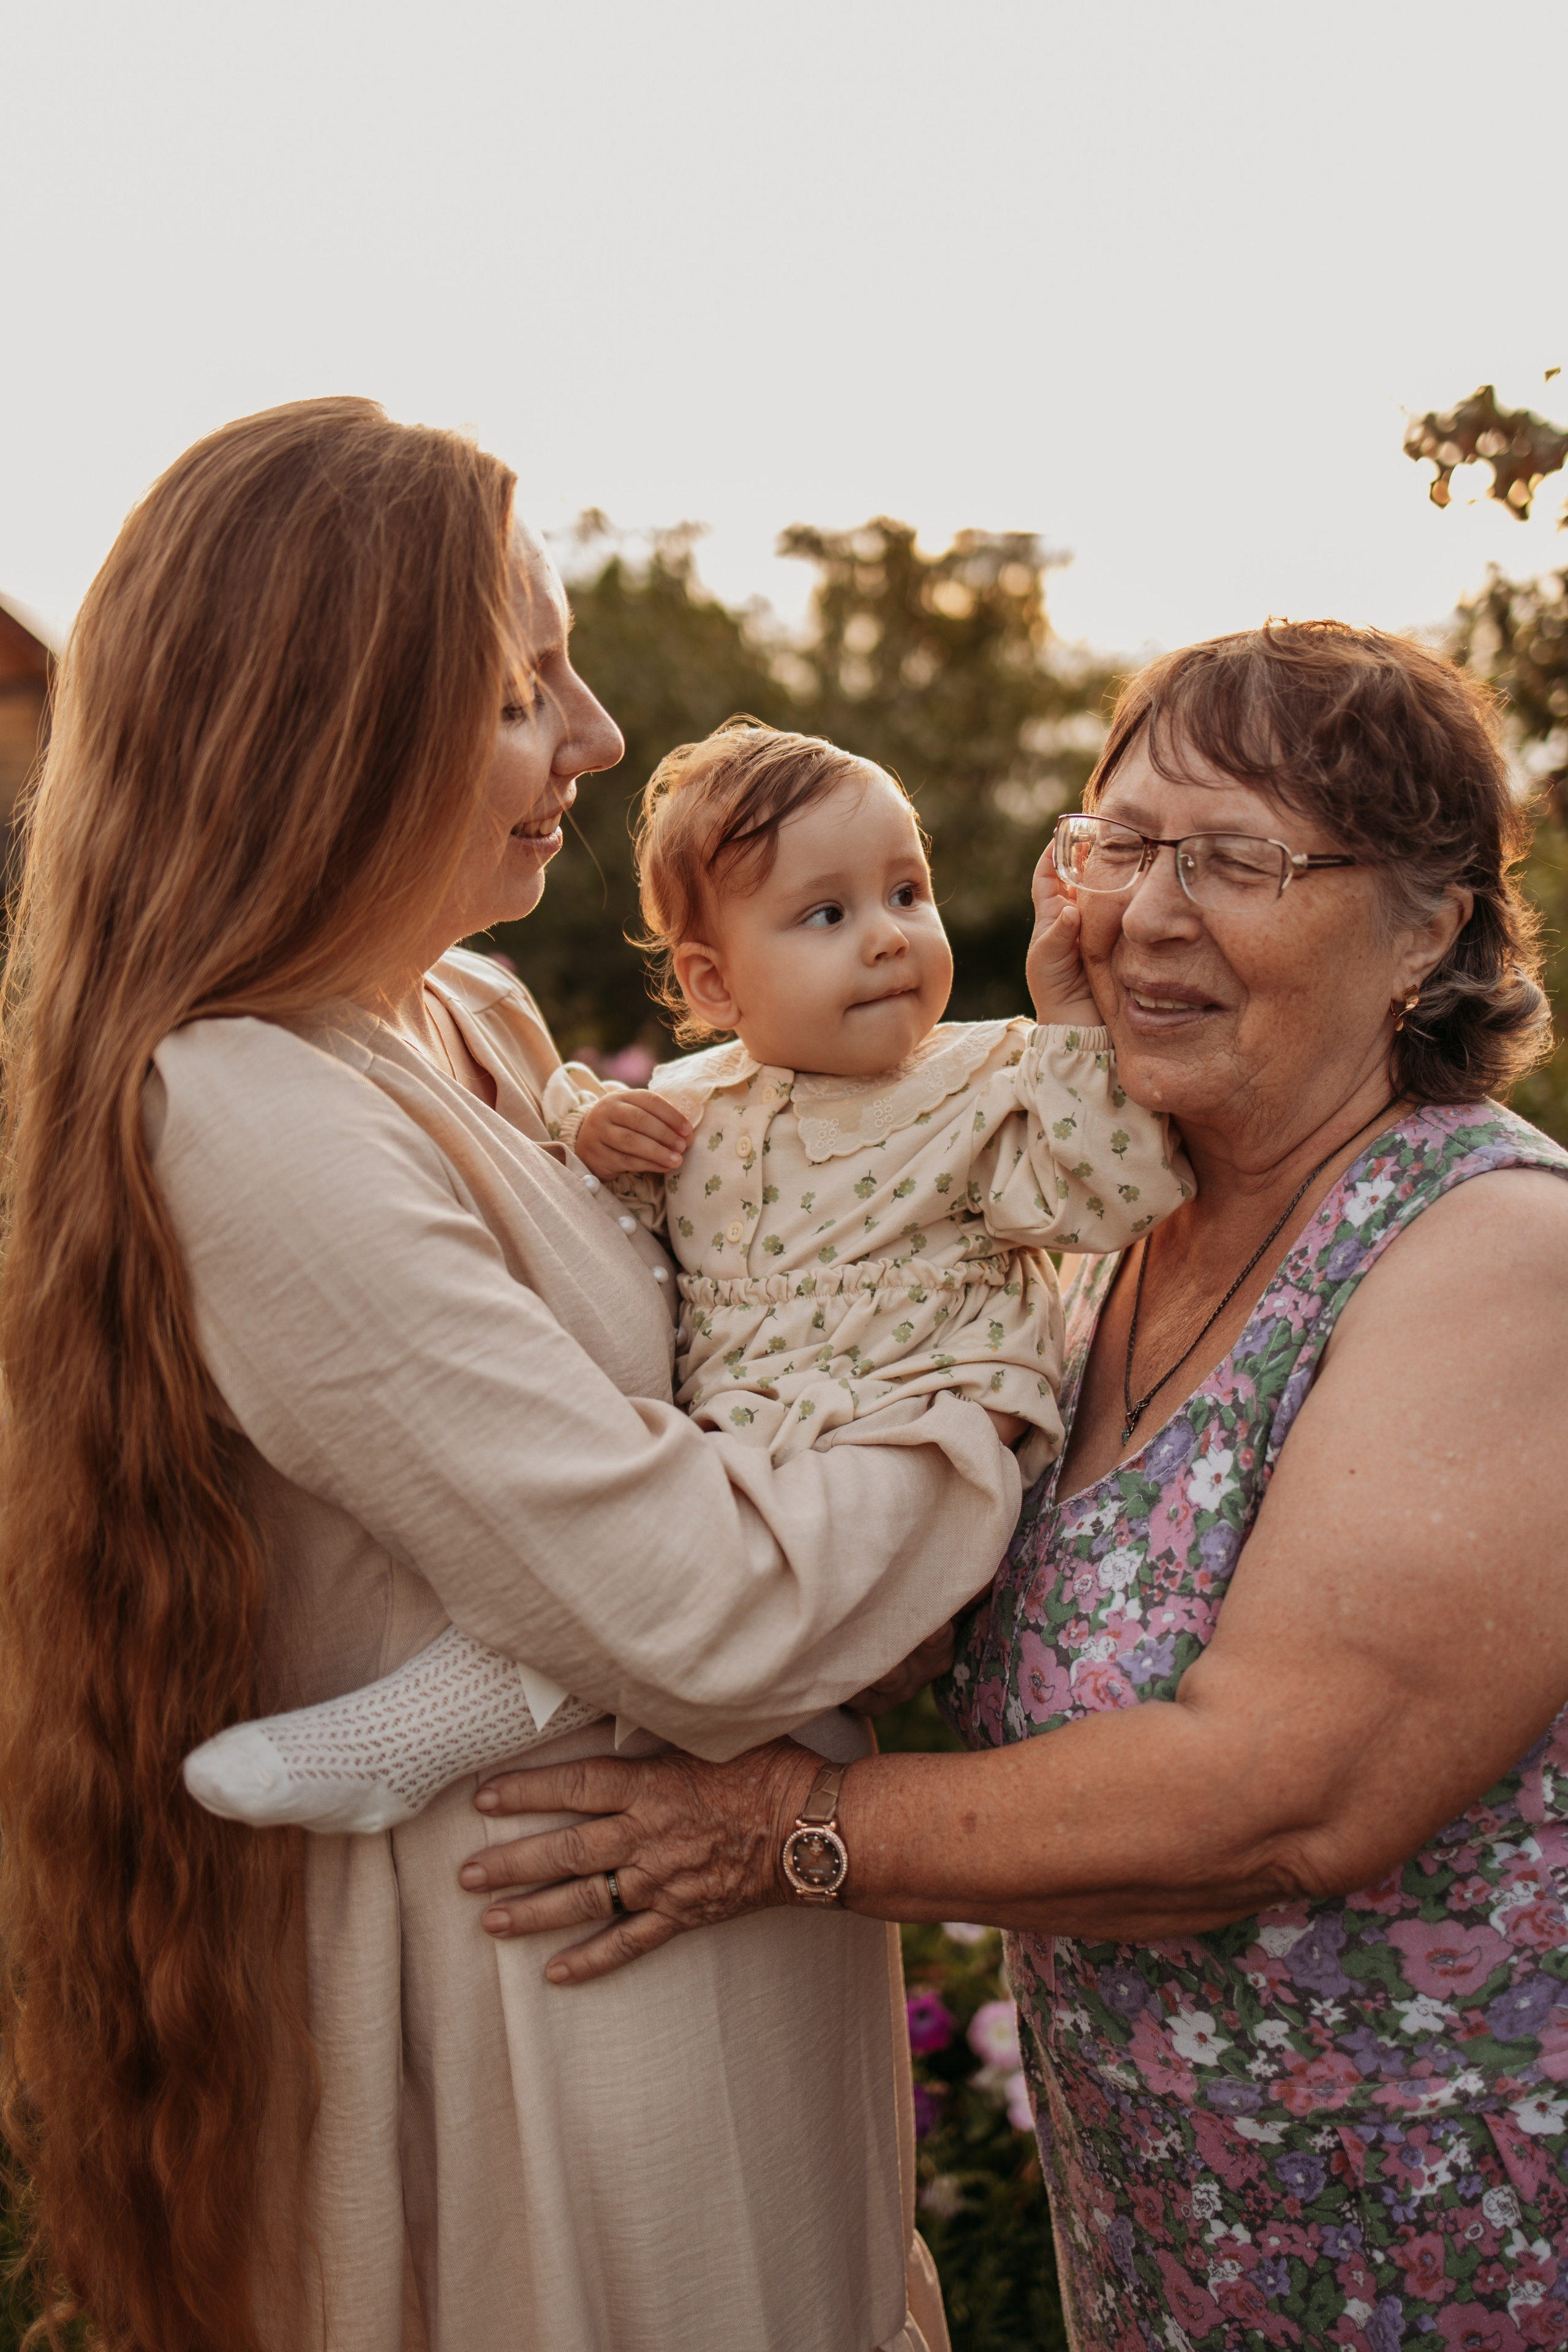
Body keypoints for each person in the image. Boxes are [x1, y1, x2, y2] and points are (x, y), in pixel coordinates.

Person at [0, 398, 1026, 2352]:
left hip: (709, 1938)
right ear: (333, 734)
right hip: (545, 2016)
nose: (600, 739)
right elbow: (691, 1609)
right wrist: (986, 1409)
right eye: (522, 688)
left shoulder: (463, 1011)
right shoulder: (242, 1114)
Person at [457, 622, 1568, 2350]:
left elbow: (1283, 1795)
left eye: (1237, 858)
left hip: (1451, 2246)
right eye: (1120, 845)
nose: (1145, 911)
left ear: (1428, 923)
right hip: (1167, 2245)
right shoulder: (1102, 1243)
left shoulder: (1498, 1254)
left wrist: (775, 1837)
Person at [183, 714, 1188, 1837]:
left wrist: (1072, 1026)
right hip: (746, 1444)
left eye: (909, 892)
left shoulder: (985, 1079)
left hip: (911, 1426)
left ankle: (409, 1740)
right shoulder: (694, 1104)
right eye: (826, 913)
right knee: (645, 1590)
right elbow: (591, 1234)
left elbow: (1116, 1196)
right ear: (713, 981)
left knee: (696, 1599)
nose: (888, 938)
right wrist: (599, 1134)